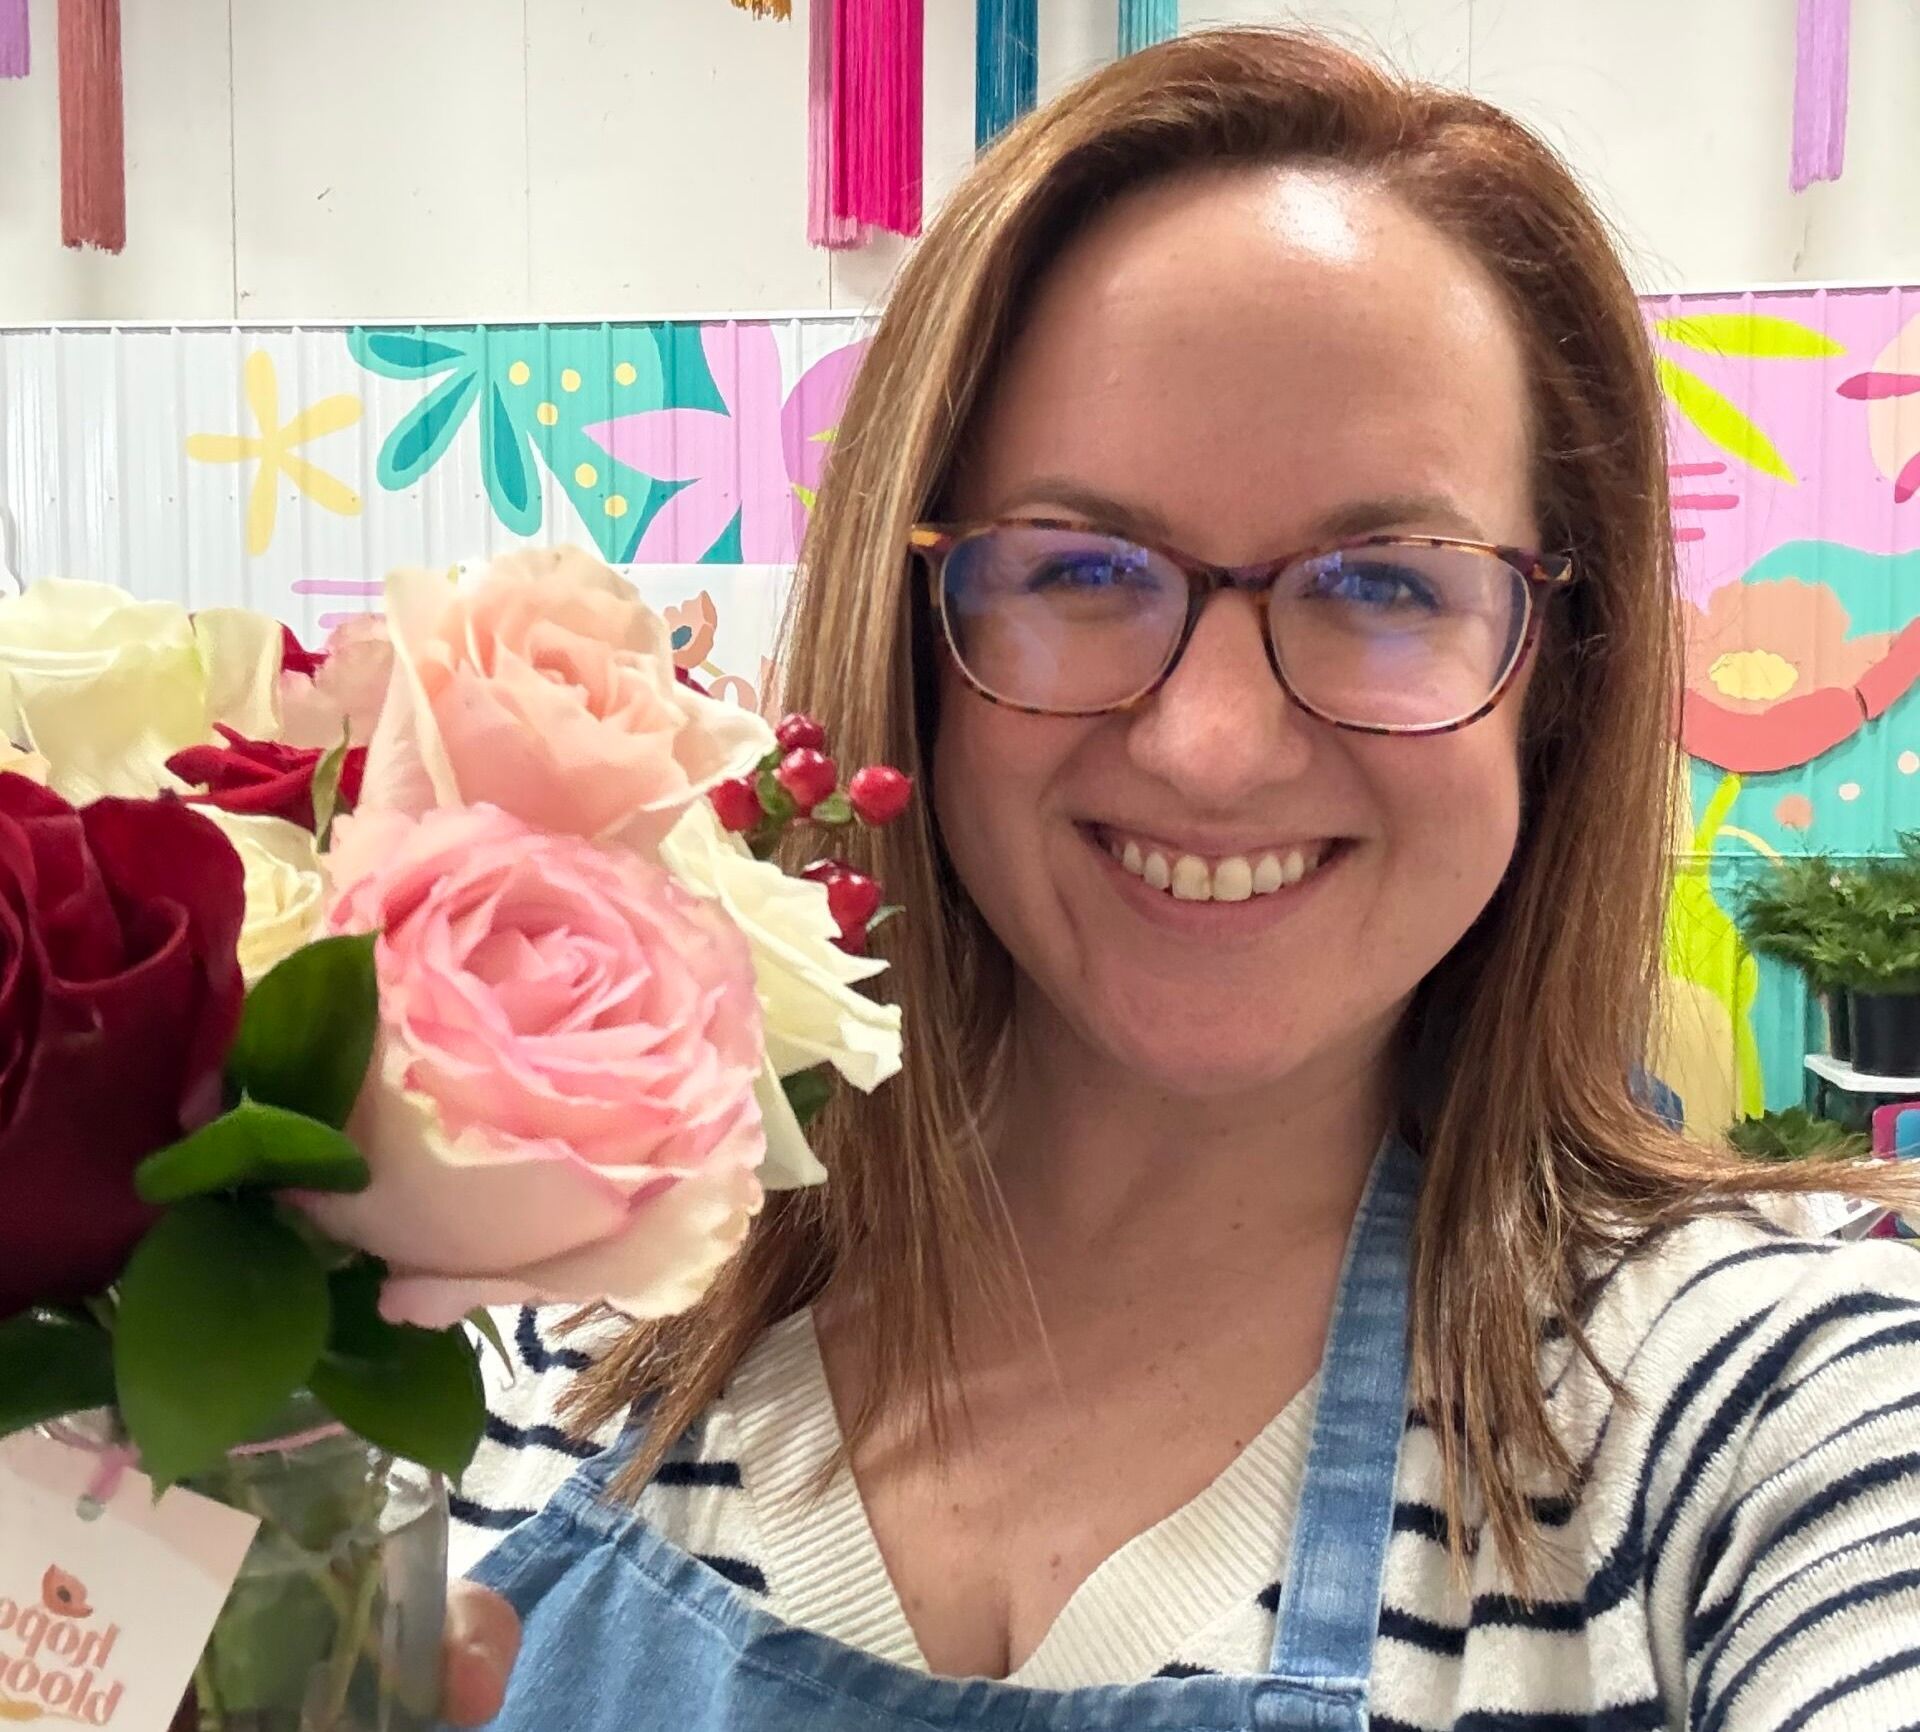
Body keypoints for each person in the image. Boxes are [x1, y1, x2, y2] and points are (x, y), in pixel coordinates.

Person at [441, 27, 1920, 1731]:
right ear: (913, 639)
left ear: (1555, 678)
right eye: (1080, 568)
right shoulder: (541, 1343)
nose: (1212, 747)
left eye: (1385, 584)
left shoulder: (1776, 1424)